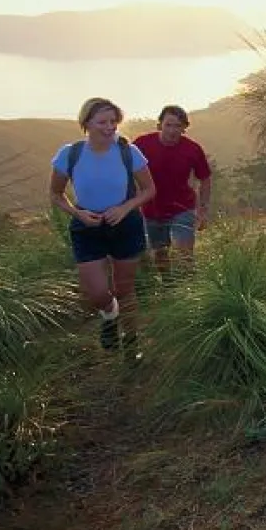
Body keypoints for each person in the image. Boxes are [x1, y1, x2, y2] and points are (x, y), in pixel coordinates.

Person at [49, 97, 156, 355]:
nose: (109, 127)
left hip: (125, 224)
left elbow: (149, 189)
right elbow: (55, 194)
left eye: (113, 122)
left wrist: (125, 208)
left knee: (125, 289)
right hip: (87, 227)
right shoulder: (70, 154)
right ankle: (110, 315)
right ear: (86, 123)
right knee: (97, 294)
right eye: (102, 122)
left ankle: (132, 344)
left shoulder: (129, 152)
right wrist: (78, 213)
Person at [133, 105, 213, 277]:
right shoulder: (141, 144)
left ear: (184, 128)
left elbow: (205, 178)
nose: (172, 130)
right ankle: (168, 285)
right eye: (168, 125)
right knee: (160, 255)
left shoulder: (192, 149)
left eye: (178, 126)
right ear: (159, 125)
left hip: (182, 208)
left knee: (184, 256)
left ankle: (189, 288)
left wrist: (203, 209)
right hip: (151, 209)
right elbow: (126, 170)